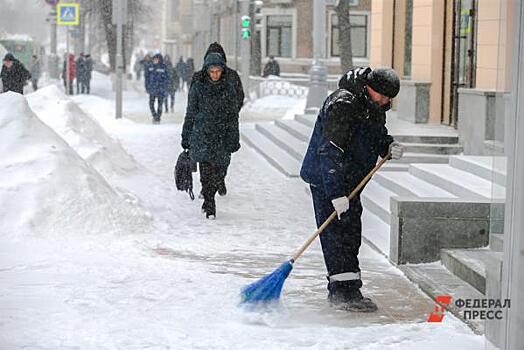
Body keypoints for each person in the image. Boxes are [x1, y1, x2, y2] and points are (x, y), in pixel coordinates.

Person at [300, 67, 404, 312]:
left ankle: (351, 290)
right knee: (335, 237)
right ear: (370, 88)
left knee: (350, 234)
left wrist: (389, 146)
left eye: (389, 98)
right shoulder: (343, 104)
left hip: (350, 181)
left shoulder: (373, 106)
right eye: (383, 96)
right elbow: (330, 151)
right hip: (327, 179)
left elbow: (376, 136)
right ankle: (339, 294)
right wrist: (336, 193)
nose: (385, 101)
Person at [181, 52, 242, 219]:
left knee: (220, 171)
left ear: (222, 70)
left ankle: (210, 195)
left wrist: (234, 137)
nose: (215, 74)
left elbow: (233, 116)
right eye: (212, 71)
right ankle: (210, 203)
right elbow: (191, 112)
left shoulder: (228, 88)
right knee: (206, 172)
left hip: (222, 136)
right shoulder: (198, 87)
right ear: (206, 70)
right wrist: (186, 136)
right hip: (203, 135)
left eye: (218, 71)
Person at [190, 42, 244, 197]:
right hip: (204, 128)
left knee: (222, 161)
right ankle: (207, 190)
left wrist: (230, 111)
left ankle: (219, 180)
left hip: (223, 127)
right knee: (205, 160)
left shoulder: (231, 76)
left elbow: (238, 97)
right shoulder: (199, 78)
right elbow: (193, 103)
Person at [145, 53, 169, 124]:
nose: (155, 61)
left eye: (156, 59)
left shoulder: (163, 67)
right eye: (154, 59)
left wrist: (164, 86)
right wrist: (147, 86)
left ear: (159, 60)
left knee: (160, 104)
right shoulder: (150, 67)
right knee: (151, 103)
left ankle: (158, 117)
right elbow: (147, 78)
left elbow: (167, 78)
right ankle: (154, 115)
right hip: (152, 89)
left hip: (160, 90)